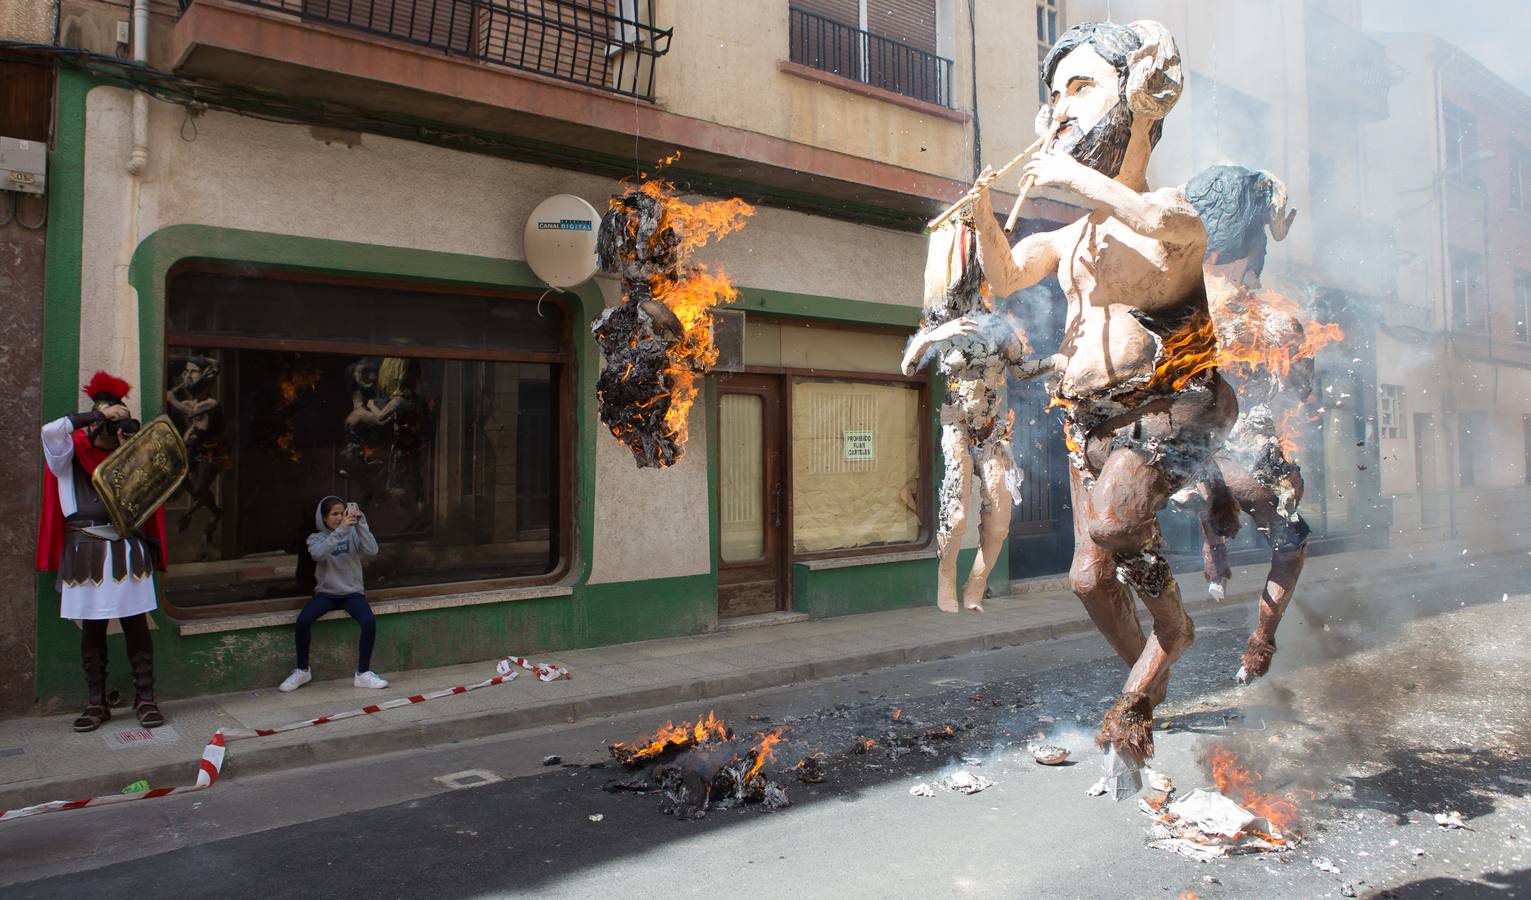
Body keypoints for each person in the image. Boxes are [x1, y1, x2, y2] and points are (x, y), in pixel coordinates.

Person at [961, 20, 1233, 774]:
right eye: (1053, 95)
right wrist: (984, 219)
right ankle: (1152, 668)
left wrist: (1070, 177)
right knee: (1086, 578)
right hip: (1090, 422)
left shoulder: (1173, 211)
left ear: (1143, 98)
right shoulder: (1072, 236)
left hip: (1162, 409)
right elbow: (1008, 274)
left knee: (1116, 527)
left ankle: (1168, 639)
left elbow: (1150, 222)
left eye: (1080, 87)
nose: (1059, 109)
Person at [37, 372, 170, 732]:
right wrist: (96, 416)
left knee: (135, 624)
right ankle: (96, 703)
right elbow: (50, 431)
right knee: (92, 628)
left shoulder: (130, 453)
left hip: (128, 545)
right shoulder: (68, 454)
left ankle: (146, 698)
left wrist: (129, 440)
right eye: (106, 425)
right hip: (85, 550)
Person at [279, 496, 388, 691]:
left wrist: (361, 524)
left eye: (342, 513)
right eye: (334, 514)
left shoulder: (353, 533)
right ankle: (302, 670)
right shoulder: (315, 538)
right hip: (326, 594)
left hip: (352, 593)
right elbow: (318, 554)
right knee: (303, 621)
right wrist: (340, 531)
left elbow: (372, 551)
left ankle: (363, 674)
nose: (339, 518)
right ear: (323, 517)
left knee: (368, 622)